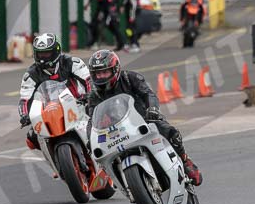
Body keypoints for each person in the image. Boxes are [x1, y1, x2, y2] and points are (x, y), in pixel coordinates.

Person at [86, 49, 203, 186]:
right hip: (116, 129)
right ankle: (121, 182)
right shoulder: (94, 94)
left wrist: (152, 109)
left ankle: (185, 160)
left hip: (144, 119)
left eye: (105, 72)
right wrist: (90, 138)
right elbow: (92, 118)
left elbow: (148, 94)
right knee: (100, 155)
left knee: (171, 133)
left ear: (115, 69)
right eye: (98, 74)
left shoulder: (130, 78)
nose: (101, 77)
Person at [18, 33, 91, 155]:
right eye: (40, 53)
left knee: (96, 120)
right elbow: (24, 99)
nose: (43, 57)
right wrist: (24, 115)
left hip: (77, 106)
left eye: (46, 53)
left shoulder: (72, 62)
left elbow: (89, 80)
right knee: (32, 138)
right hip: (49, 111)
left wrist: (89, 95)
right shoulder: (31, 74)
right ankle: (56, 163)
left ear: (56, 51)